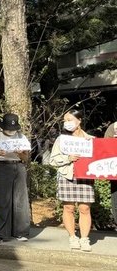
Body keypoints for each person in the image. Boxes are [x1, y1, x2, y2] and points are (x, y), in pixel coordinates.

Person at [48, 108, 95, 252]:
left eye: (70, 120)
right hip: (67, 175)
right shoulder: (62, 140)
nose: (67, 123)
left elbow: (100, 157)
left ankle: (84, 238)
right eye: (65, 121)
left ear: (79, 120)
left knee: (84, 208)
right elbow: (53, 160)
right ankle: (72, 237)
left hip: (85, 176)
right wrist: (68, 158)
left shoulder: (91, 139)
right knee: (69, 207)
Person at [0, 113, 31, 244]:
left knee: (20, 200)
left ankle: (21, 232)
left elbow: (26, 158)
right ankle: (0, 233)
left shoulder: (21, 137)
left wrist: (20, 153)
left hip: (18, 167)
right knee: (3, 200)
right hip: (3, 166)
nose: (11, 131)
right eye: (8, 128)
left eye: (13, 129)